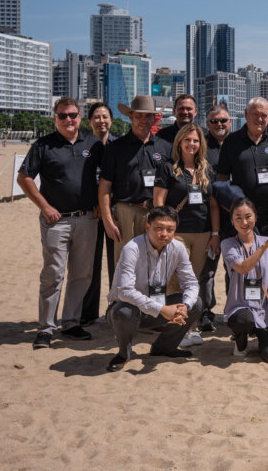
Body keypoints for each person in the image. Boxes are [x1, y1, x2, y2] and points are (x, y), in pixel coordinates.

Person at [18, 98, 103, 348]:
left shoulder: (93, 143)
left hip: (87, 219)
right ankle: (46, 328)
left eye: (73, 115)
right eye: (63, 116)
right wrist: (45, 207)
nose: (69, 120)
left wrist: (101, 203)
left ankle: (71, 323)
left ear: (80, 117)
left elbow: (106, 177)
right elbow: (24, 178)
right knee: (53, 275)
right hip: (56, 221)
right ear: (55, 118)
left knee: (82, 275)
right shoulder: (43, 145)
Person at [105, 206, 204, 372]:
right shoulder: (132, 248)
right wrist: (163, 309)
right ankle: (123, 354)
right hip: (126, 310)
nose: (164, 234)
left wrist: (185, 306)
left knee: (196, 303)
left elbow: (191, 283)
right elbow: (124, 291)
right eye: (158, 228)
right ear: (147, 227)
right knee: (124, 312)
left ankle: (164, 347)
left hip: (157, 308)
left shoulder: (178, 248)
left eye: (170, 229)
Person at [153, 123, 220, 349]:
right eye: (187, 140)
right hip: (177, 234)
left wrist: (215, 233)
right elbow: (159, 202)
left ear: (201, 144)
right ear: (179, 142)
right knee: (175, 282)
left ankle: (190, 328)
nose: (192, 144)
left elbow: (213, 205)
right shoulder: (168, 168)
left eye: (196, 140)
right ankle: (177, 329)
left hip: (202, 232)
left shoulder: (206, 170)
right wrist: (163, 232)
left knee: (194, 282)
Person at [98, 95, 173, 265]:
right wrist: (108, 220)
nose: (143, 120)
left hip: (156, 212)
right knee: (125, 265)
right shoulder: (115, 148)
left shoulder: (165, 147)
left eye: (148, 116)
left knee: (155, 265)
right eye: (139, 115)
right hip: (126, 213)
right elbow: (104, 186)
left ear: (154, 118)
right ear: (130, 116)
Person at [216, 98, 268, 236]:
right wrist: (230, 209)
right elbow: (222, 179)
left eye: (264, 115)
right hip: (244, 215)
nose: (260, 119)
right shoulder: (231, 142)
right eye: (255, 114)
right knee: (246, 251)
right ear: (246, 114)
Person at [222, 198, 268, 363]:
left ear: (255, 218)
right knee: (243, 320)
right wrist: (264, 246)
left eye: (248, 217)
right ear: (232, 221)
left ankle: (263, 336)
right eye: (238, 218)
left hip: (265, 309)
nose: (244, 222)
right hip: (240, 306)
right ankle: (240, 341)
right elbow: (243, 268)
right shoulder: (228, 244)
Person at [80, 101, 116, 326]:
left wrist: (105, 207)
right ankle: (88, 313)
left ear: (111, 120)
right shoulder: (84, 145)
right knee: (90, 265)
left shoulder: (118, 145)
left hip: (113, 214)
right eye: (96, 117)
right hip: (90, 214)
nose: (101, 121)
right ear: (89, 121)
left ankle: (116, 310)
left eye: (105, 117)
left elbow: (120, 181)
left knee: (116, 263)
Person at [196, 104, 232, 331]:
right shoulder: (200, 146)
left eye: (223, 120)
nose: (219, 124)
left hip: (233, 217)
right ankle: (205, 312)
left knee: (233, 268)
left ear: (230, 122)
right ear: (207, 123)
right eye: (214, 121)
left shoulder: (237, 144)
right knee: (207, 270)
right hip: (206, 217)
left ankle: (233, 309)